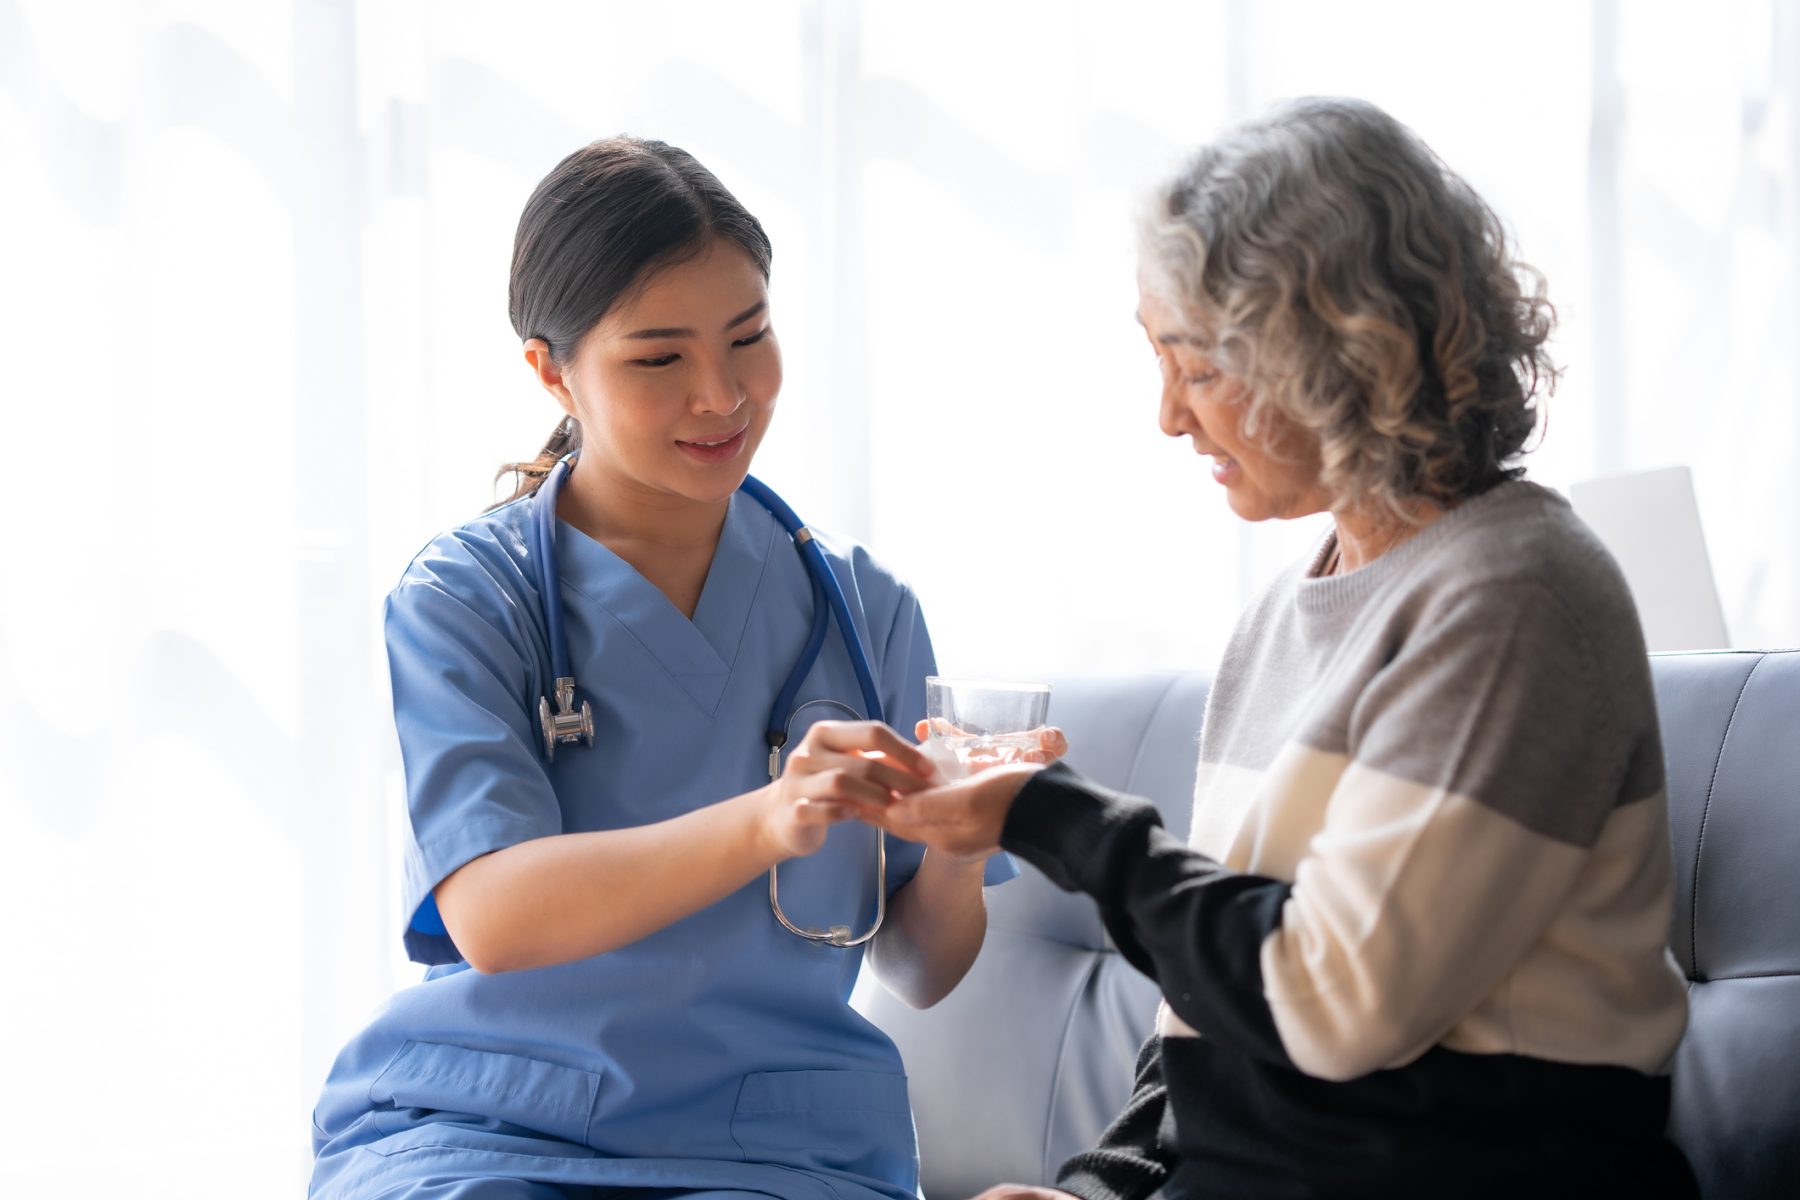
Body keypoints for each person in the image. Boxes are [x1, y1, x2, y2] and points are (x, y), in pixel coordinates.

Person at [870, 97, 1699, 1199]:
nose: (1168, 417)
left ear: (1344, 356)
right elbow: (1225, 1003)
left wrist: (1050, 813)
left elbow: (1334, 1002)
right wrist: (1100, 1188)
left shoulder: (1516, 595)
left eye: (1199, 367)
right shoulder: (1289, 611)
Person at [308, 136, 1017, 1200]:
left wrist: (962, 845)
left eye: (750, 337)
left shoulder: (862, 612)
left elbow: (920, 964)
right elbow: (496, 919)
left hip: (777, 1143)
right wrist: (774, 816)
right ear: (553, 370)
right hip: (491, 1123)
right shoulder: (467, 600)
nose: (722, 395)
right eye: (659, 359)